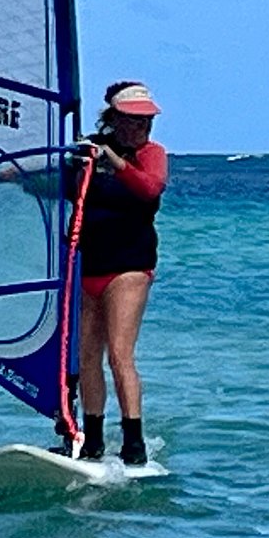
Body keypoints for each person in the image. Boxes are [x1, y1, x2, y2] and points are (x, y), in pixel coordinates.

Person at [75, 81, 168, 464]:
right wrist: (19, 177)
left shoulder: (151, 155)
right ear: (114, 118)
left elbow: (149, 189)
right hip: (88, 265)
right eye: (133, 121)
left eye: (147, 121)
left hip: (129, 268)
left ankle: (134, 444)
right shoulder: (89, 152)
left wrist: (112, 159)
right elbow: (63, 187)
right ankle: (92, 440)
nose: (142, 129)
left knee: (120, 355)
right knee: (85, 358)